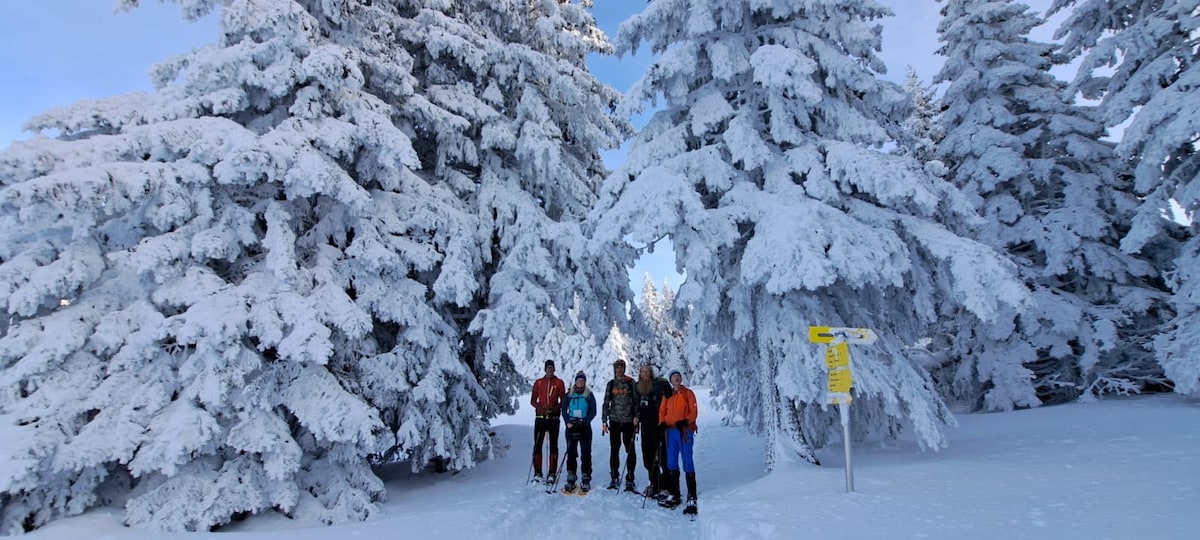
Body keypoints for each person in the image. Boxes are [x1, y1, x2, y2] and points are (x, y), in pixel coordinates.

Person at [658, 370, 699, 515]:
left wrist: (687, 421)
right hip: (670, 432)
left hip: (684, 431)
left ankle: (692, 495)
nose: (676, 378)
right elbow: (662, 411)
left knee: (687, 460)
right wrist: (662, 423)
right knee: (671, 462)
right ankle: (674, 493)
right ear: (670, 380)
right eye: (674, 377)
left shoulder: (688, 393)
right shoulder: (667, 395)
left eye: (678, 376)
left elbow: (694, 411)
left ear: (681, 379)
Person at [634, 363, 672, 497]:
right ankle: (655, 484)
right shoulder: (637, 386)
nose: (644, 373)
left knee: (662, 457)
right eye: (642, 371)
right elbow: (636, 404)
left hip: (658, 425)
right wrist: (636, 417)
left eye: (647, 371)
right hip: (645, 426)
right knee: (647, 458)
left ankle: (666, 486)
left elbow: (668, 399)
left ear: (650, 373)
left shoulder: (658, 384)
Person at [601, 358, 639, 491]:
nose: (619, 369)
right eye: (617, 367)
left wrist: (637, 417)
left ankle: (630, 478)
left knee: (630, 450)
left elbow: (636, 401)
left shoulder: (631, 382)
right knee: (614, 449)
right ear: (614, 369)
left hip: (629, 421)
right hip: (615, 421)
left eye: (621, 367)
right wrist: (604, 420)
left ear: (624, 368)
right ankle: (614, 477)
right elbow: (606, 402)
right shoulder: (611, 384)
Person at [529, 359, 565, 486]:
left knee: (553, 446)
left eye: (552, 368)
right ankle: (537, 472)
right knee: (538, 445)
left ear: (554, 369)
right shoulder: (538, 383)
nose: (550, 370)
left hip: (554, 418)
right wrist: (541, 407)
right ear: (545, 369)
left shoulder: (559, 382)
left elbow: (563, 401)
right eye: (548, 368)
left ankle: (552, 473)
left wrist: (553, 408)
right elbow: (532, 401)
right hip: (540, 417)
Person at [561, 371, 597, 493]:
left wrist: (585, 422)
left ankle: (586, 476)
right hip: (571, 426)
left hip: (584, 426)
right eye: (578, 380)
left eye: (582, 381)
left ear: (585, 382)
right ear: (575, 381)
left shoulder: (589, 394)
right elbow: (564, 410)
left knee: (586, 452)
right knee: (571, 451)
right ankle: (571, 475)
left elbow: (593, 411)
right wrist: (568, 422)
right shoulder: (569, 394)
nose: (580, 382)